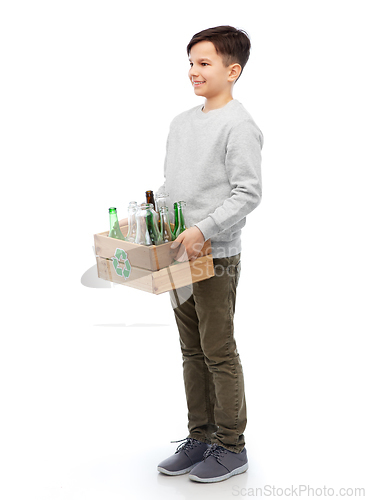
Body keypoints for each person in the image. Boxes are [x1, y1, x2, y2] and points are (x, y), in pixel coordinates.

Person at [156, 25, 264, 483]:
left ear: (232, 70)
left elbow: (247, 193)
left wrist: (204, 227)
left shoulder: (240, 126)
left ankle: (231, 446)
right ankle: (200, 437)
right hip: (177, 257)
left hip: (215, 256)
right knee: (191, 350)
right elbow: (174, 186)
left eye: (205, 63)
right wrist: (153, 215)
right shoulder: (182, 123)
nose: (194, 71)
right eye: (192, 62)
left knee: (217, 350)